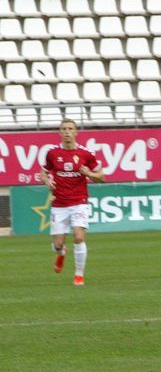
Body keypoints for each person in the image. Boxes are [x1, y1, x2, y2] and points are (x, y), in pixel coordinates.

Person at [38, 119, 105, 286]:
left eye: (70, 129)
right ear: (60, 133)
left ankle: (79, 275)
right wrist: (47, 182)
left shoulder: (86, 154)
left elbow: (101, 177)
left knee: (78, 236)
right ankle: (61, 252)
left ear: (76, 132)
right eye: (64, 129)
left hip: (79, 201)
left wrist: (89, 173)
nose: (67, 132)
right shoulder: (52, 153)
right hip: (59, 204)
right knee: (57, 244)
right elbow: (43, 173)